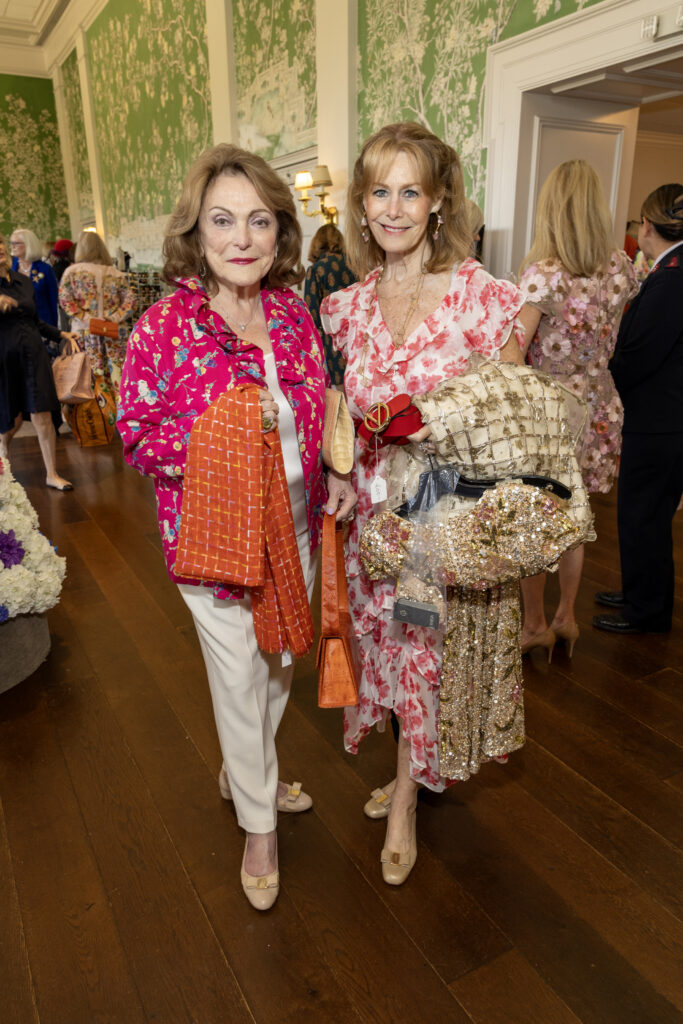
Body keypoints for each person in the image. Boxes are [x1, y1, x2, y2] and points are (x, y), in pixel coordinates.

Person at [118, 143, 355, 910]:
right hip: (214, 531)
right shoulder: (162, 326)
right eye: (223, 221)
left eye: (258, 220)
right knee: (238, 673)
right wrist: (219, 443)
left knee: (280, 659)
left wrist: (339, 467)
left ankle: (242, 768)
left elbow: (319, 400)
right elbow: (137, 431)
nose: (242, 239)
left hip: (294, 521)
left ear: (281, 233)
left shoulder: (291, 311)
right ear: (197, 230)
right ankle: (258, 823)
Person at [320, 121, 532, 886]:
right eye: (379, 191)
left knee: (422, 649)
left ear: (439, 200)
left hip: (442, 518)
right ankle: (410, 764)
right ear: (361, 202)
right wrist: (339, 467)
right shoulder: (344, 306)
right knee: (384, 649)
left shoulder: (483, 298)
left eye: (411, 191)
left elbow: (512, 414)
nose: (394, 208)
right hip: (372, 519)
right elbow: (342, 404)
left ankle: (407, 798)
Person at [517, 159, 638, 659]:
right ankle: (567, 617)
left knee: (533, 521)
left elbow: (512, 350)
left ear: (551, 209)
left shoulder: (544, 275)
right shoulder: (621, 267)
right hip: (600, 405)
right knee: (575, 520)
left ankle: (535, 624)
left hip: (549, 412)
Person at [594, 183, 683, 635]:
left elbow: (643, 352)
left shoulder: (671, 277)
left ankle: (646, 610)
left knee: (643, 515)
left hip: (659, 421)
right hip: (666, 418)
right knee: (644, 514)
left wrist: (606, 376)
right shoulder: (670, 268)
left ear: (647, 225)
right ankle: (639, 593)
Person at [0, 233, 79, 490]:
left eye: (2, 244)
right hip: (5, 359)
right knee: (11, 422)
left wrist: (60, 334)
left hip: (34, 354)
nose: (1, 248)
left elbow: (35, 320)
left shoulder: (23, 281)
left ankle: (52, 473)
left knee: (41, 413)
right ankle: (3, 465)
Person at [58, 230, 136, 405]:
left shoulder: (71, 272)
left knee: (85, 375)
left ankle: (92, 417)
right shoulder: (115, 273)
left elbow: (65, 301)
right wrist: (114, 317)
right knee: (117, 373)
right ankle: (118, 413)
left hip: (84, 332)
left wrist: (87, 318)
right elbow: (131, 302)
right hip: (113, 332)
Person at [303, 223, 356, 385]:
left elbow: (310, 314)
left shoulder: (316, 270)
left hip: (330, 342)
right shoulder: (354, 264)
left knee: (336, 397)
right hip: (355, 335)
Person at [10, 228, 60, 353]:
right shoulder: (10, 268)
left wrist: (55, 331)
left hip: (44, 327)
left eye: (16, 243)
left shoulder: (45, 269)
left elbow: (54, 301)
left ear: (28, 244)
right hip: (17, 330)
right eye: (11, 243)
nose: (12, 246)